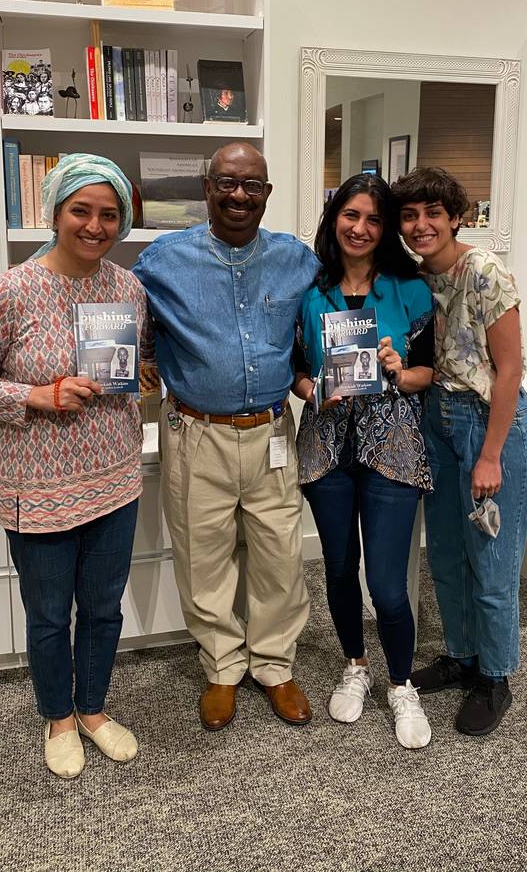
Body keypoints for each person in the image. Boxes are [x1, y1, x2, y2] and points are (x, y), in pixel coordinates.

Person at [0, 152, 154, 778]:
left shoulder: (128, 288)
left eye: (109, 215)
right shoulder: (11, 290)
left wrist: (137, 379)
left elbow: (135, 365)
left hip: (115, 477)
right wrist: (35, 396)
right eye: (81, 211)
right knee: (47, 613)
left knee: (103, 606)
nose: (95, 226)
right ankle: (58, 718)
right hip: (36, 488)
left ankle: (92, 708)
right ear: (56, 213)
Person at [133, 142, 319, 731]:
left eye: (253, 185)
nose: (240, 194)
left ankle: (274, 664)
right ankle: (221, 667)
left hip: (271, 431)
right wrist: (140, 356)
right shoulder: (163, 258)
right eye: (227, 183)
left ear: (267, 194)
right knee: (201, 554)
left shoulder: (297, 259)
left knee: (281, 554)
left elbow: (326, 315)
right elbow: (114, 304)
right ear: (207, 189)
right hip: (195, 433)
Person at [393, 166, 527, 737]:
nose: (422, 224)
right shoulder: (418, 277)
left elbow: (510, 372)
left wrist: (491, 455)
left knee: (493, 562)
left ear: (457, 216)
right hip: (438, 421)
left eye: (434, 213)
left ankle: (496, 675)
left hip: (488, 428)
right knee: (448, 556)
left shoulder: (484, 271)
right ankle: (462, 655)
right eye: (410, 215)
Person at [292, 174, 435, 750]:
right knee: (337, 567)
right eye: (351, 216)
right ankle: (356, 663)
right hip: (328, 445)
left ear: (385, 229)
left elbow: (430, 374)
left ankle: (402, 683)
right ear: (335, 220)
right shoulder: (310, 292)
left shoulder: (411, 290)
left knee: (388, 583)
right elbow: (295, 370)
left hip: (393, 446)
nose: (361, 228)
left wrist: (399, 368)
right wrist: (312, 390)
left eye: (374, 220)